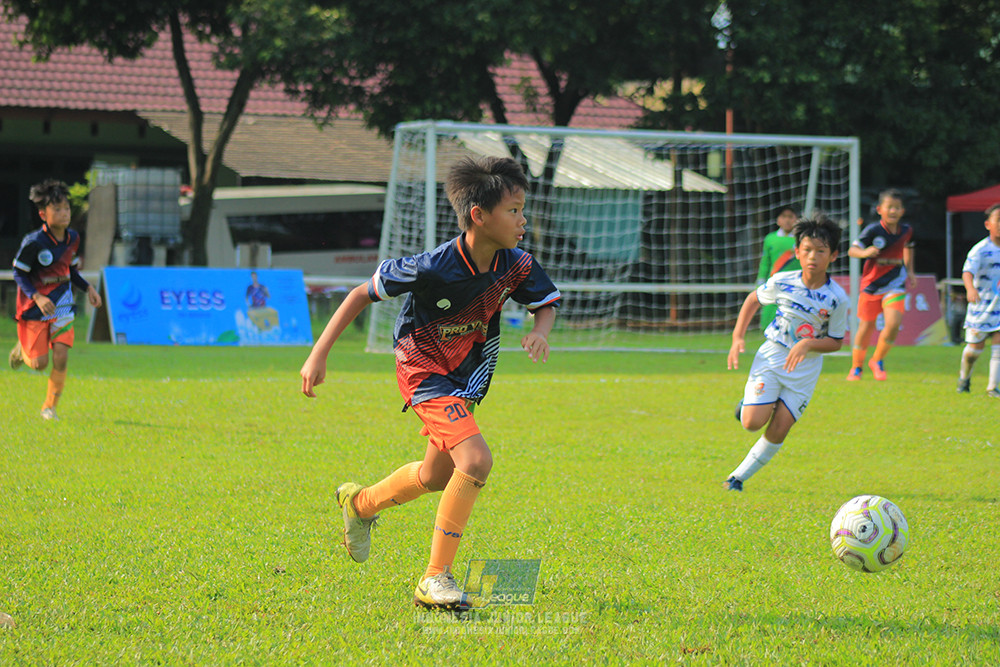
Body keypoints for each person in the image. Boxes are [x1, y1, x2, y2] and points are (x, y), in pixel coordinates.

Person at [299, 156, 561, 609]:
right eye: (514, 210)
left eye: (522, 209)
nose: (523, 220)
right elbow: (361, 293)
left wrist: (540, 331)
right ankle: (435, 578)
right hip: (422, 371)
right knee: (475, 460)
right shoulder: (433, 266)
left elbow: (545, 302)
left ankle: (360, 505)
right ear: (479, 215)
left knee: (435, 476)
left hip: (467, 376)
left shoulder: (516, 264)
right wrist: (318, 354)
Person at [724, 215, 848, 492]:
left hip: (804, 369)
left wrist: (808, 344)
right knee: (751, 423)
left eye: (821, 251)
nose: (813, 256)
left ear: (833, 255)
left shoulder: (837, 298)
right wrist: (737, 336)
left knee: (780, 428)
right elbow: (753, 300)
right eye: (807, 250)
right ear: (797, 252)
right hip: (773, 356)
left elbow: (836, 342)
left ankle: (737, 479)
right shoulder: (782, 281)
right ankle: (752, 403)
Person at [8, 179, 102, 420]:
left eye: (67, 208)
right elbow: (19, 273)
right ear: (43, 214)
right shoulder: (34, 242)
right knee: (39, 363)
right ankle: (22, 350)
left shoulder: (73, 238)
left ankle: (49, 408)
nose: (64, 213)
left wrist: (88, 288)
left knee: (61, 356)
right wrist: (37, 296)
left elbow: (70, 270)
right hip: (35, 306)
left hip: (62, 303)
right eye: (57, 209)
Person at [845, 189, 916, 381]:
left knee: (893, 324)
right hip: (872, 284)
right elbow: (852, 250)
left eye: (897, 207)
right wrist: (865, 252)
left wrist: (910, 271)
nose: (893, 211)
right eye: (889, 207)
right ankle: (856, 367)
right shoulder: (873, 230)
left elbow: (908, 247)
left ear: (902, 211)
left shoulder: (906, 230)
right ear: (879, 209)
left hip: (896, 282)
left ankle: (877, 360)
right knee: (866, 327)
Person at [956, 203, 1000, 397]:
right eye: (998, 220)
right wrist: (970, 288)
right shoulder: (980, 250)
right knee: (974, 351)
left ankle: (993, 387)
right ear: (988, 224)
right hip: (981, 308)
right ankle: (964, 378)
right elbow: (967, 272)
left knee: (998, 347)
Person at [756, 205, 801, 330]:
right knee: (769, 315)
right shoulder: (770, 239)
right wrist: (760, 280)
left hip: (795, 284)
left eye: (790, 217)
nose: (787, 220)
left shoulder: (801, 239)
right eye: (784, 216)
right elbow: (765, 262)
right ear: (778, 220)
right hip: (774, 283)